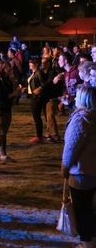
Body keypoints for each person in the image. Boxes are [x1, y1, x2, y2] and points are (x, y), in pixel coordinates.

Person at [61, 86, 96, 248]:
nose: (74, 99)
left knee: (82, 211)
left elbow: (71, 148)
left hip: (81, 174)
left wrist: (64, 168)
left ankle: (87, 243)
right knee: (91, 208)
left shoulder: (81, 120)